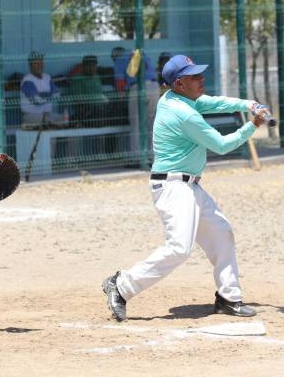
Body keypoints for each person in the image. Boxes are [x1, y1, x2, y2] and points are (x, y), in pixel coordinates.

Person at [102, 54, 269, 322]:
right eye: (194, 76)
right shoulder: (184, 113)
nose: (201, 79)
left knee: (221, 233)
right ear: (179, 83)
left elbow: (214, 102)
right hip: (173, 187)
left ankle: (229, 296)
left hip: (189, 186)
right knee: (179, 248)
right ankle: (121, 285)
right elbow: (222, 145)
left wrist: (248, 104)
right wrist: (253, 125)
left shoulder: (175, 98)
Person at [20, 51, 65, 127]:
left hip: (47, 114)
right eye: (36, 63)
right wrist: (49, 95)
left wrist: (42, 95)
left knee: (66, 120)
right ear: (30, 65)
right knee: (50, 124)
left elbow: (57, 94)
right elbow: (37, 101)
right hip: (31, 116)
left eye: (41, 62)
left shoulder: (47, 77)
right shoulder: (28, 80)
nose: (39, 65)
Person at [69, 55, 109, 127]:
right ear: (84, 66)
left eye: (94, 65)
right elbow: (79, 101)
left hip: (101, 109)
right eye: (89, 66)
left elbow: (100, 94)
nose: (92, 68)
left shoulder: (97, 77)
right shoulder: (77, 79)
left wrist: (105, 102)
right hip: (87, 112)